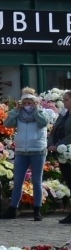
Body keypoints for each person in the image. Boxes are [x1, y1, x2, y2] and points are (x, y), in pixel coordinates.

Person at [5, 88, 49, 221]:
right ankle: (13, 209)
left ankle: (37, 209)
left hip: (37, 150)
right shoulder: (19, 114)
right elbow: (7, 124)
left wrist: (36, 110)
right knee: (18, 180)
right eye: (25, 102)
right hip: (21, 151)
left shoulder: (41, 112)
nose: (27, 105)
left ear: (34, 102)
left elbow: (44, 123)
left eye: (30, 102)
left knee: (36, 180)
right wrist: (15, 110)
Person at [51, 91, 71, 225]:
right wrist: (50, 143)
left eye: (66, 100)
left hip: (67, 149)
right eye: (63, 100)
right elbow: (54, 129)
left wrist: (58, 145)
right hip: (62, 153)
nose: (64, 102)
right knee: (69, 181)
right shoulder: (64, 113)